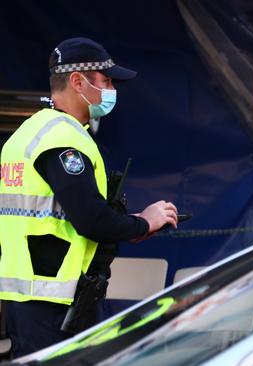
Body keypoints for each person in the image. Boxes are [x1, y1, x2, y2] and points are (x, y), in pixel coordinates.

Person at [0, 37, 179, 358]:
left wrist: (125, 225)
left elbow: (63, 214)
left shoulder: (28, 133)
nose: (113, 89)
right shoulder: (63, 138)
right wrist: (143, 222)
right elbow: (91, 219)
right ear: (78, 81)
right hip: (56, 305)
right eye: (106, 80)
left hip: (29, 300)